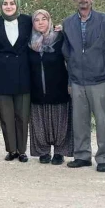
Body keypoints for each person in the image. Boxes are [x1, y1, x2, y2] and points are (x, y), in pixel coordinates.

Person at [61, 0, 105, 173]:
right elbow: (67, 55)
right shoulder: (67, 23)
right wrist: (69, 81)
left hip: (99, 79)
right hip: (76, 80)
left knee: (102, 121)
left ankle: (103, 158)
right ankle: (82, 156)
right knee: (80, 121)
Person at [0, 0, 33, 162]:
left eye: (12, 3)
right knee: (6, 116)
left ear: (17, 4)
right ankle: (11, 150)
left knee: (22, 115)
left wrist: (59, 28)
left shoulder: (28, 21)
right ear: (1, 6)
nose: (8, 6)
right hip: (2, 75)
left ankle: (22, 151)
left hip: (23, 74)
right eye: (5, 3)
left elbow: (44, 27)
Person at [28, 9, 73, 165]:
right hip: (37, 89)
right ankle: (43, 151)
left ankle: (60, 152)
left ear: (50, 20)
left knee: (60, 121)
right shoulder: (29, 43)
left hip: (58, 88)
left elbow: (69, 60)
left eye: (44, 19)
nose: (40, 22)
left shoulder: (60, 38)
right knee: (40, 121)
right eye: (37, 20)